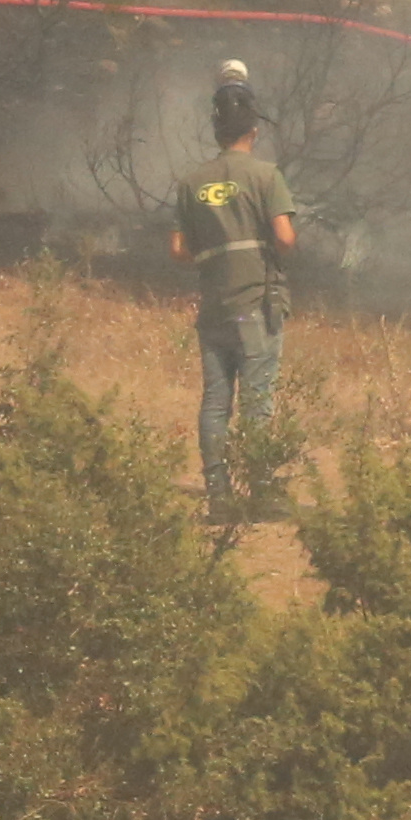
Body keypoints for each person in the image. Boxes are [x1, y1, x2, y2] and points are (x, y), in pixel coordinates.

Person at [167, 60, 299, 505]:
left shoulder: (191, 183)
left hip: (214, 311)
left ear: (216, 130)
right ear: (254, 131)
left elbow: (179, 250)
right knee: (257, 405)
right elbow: (284, 237)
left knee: (216, 403)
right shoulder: (266, 176)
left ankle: (218, 495)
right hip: (255, 309)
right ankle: (260, 493)